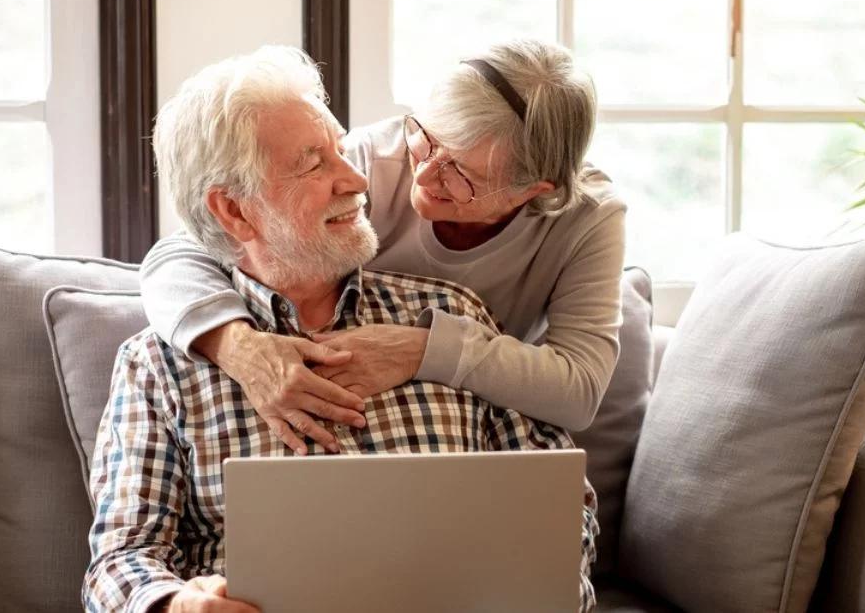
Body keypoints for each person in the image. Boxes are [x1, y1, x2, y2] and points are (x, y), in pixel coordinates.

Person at [83, 46, 599, 613]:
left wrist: (539, 591)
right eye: (313, 163)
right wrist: (176, 605)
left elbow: (563, 508)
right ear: (234, 212)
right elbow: (119, 560)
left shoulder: (454, 316)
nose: (357, 177)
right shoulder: (156, 367)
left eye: (341, 149)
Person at [140, 38, 628, 455]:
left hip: (463, 419)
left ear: (533, 192)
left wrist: (421, 350)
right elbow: (193, 244)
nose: (426, 174)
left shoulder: (588, 215)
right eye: (426, 139)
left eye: (463, 174)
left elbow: (579, 389)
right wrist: (240, 348)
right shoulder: (372, 158)